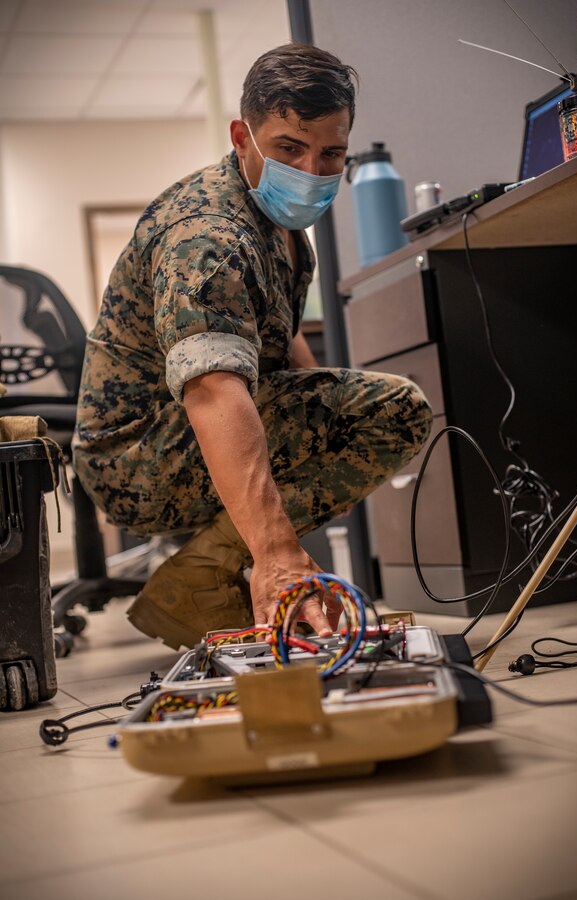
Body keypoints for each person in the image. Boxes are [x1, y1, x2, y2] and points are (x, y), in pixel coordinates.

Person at [72, 42, 432, 650]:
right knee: (396, 411)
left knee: (354, 418)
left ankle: (203, 576)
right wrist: (277, 551)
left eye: (331, 154)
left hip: (170, 441)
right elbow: (213, 390)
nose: (313, 171)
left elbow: (281, 338)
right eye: (290, 148)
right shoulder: (207, 238)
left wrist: (324, 447)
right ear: (243, 136)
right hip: (135, 460)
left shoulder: (278, 227)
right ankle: (205, 579)